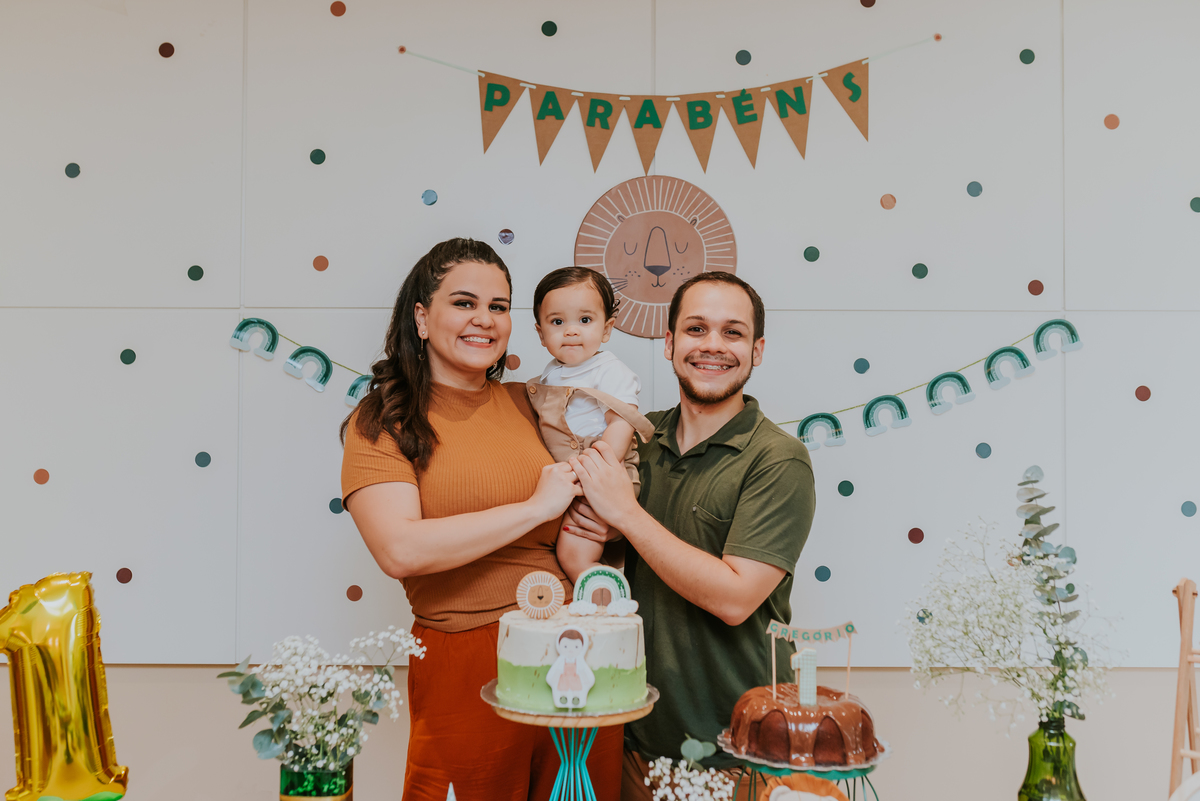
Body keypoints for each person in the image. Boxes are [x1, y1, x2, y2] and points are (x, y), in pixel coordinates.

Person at [339, 239, 622, 801]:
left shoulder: (536, 402)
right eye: (464, 302)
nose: (484, 320)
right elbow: (400, 549)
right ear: (422, 316)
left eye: (499, 307)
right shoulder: (383, 419)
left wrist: (606, 530)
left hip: (577, 650)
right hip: (465, 657)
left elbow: (605, 491)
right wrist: (535, 509)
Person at [562, 272, 817, 797]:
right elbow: (589, 564)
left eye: (733, 333)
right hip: (629, 735)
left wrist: (627, 516)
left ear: (757, 350)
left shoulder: (777, 459)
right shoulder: (637, 438)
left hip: (734, 750)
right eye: (697, 329)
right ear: (670, 344)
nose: (713, 346)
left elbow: (734, 597)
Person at [529, 266, 654, 582]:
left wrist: (591, 476)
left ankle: (607, 602)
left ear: (607, 328)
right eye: (558, 322)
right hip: (570, 472)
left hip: (604, 471)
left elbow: (620, 427)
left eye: (585, 320)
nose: (571, 331)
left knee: (573, 554)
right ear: (541, 333)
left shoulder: (610, 371)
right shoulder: (549, 374)